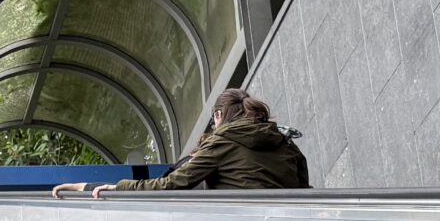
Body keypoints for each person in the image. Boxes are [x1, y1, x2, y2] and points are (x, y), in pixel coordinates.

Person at [53, 91, 309, 197]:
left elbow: (171, 185)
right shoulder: (283, 139)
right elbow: (304, 186)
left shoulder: (222, 141)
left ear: (218, 116)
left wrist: (112, 188)